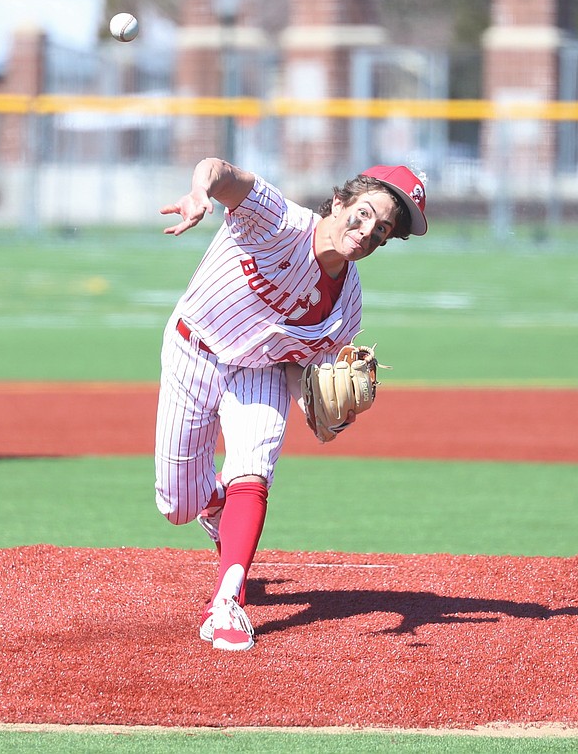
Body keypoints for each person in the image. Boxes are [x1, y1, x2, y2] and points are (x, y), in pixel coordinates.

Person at [155, 158, 427, 651]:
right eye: (364, 214)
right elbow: (219, 170)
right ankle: (211, 505)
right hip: (195, 348)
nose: (368, 232)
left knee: (253, 469)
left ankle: (226, 603)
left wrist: (321, 406)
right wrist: (200, 193)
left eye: (382, 230)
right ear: (340, 200)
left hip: (259, 369)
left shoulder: (347, 305)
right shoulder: (278, 221)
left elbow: (298, 369)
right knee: (177, 505)